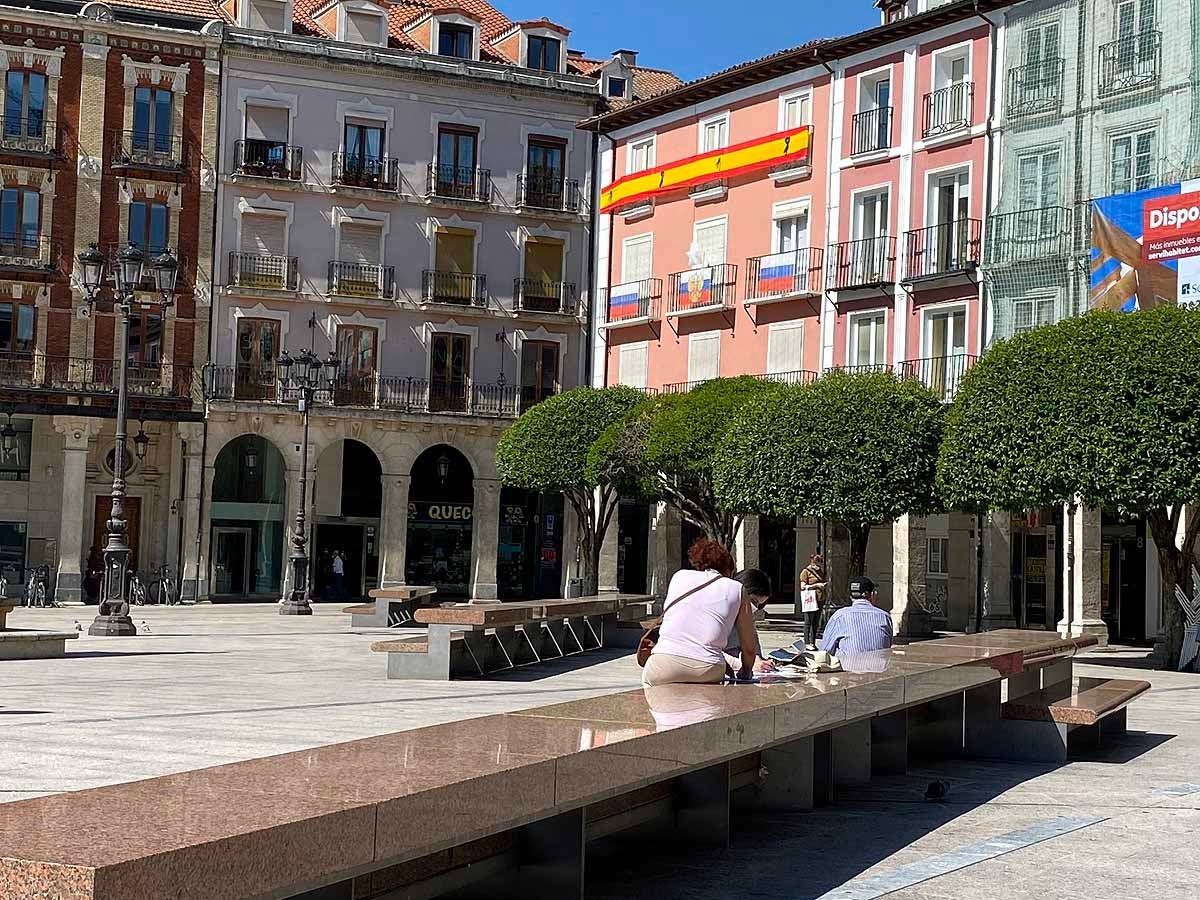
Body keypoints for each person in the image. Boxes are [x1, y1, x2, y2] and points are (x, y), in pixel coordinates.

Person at [643, 538, 757, 686]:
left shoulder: (679, 576)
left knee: (649, 687)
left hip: (663, 662)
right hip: (708, 668)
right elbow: (749, 647)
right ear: (729, 569)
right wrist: (746, 672)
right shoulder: (736, 588)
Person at [818, 575, 893, 656]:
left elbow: (825, 650)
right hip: (879, 668)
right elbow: (887, 645)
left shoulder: (840, 616)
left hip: (847, 667)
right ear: (872, 594)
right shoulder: (884, 617)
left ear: (850, 596)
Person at [726, 568, 776, 674]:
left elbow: (754, 649)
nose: (754, 607)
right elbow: (711, 651)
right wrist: (743, 665)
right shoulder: (721, 616)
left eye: (759, 605)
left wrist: (760, 661)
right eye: (753, 601)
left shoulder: (748, 621)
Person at [798, 553, 829, 650]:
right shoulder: (805, 572)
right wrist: (816, 586)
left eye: (820, 564)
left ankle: (813, 642)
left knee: (816, 622)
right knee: (808, 621)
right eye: (817, 563)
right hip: (810, 599)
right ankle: (807, 642)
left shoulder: (820, 572)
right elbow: (803, 587)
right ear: (812, 562)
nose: (819, 566)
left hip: (820, 599)